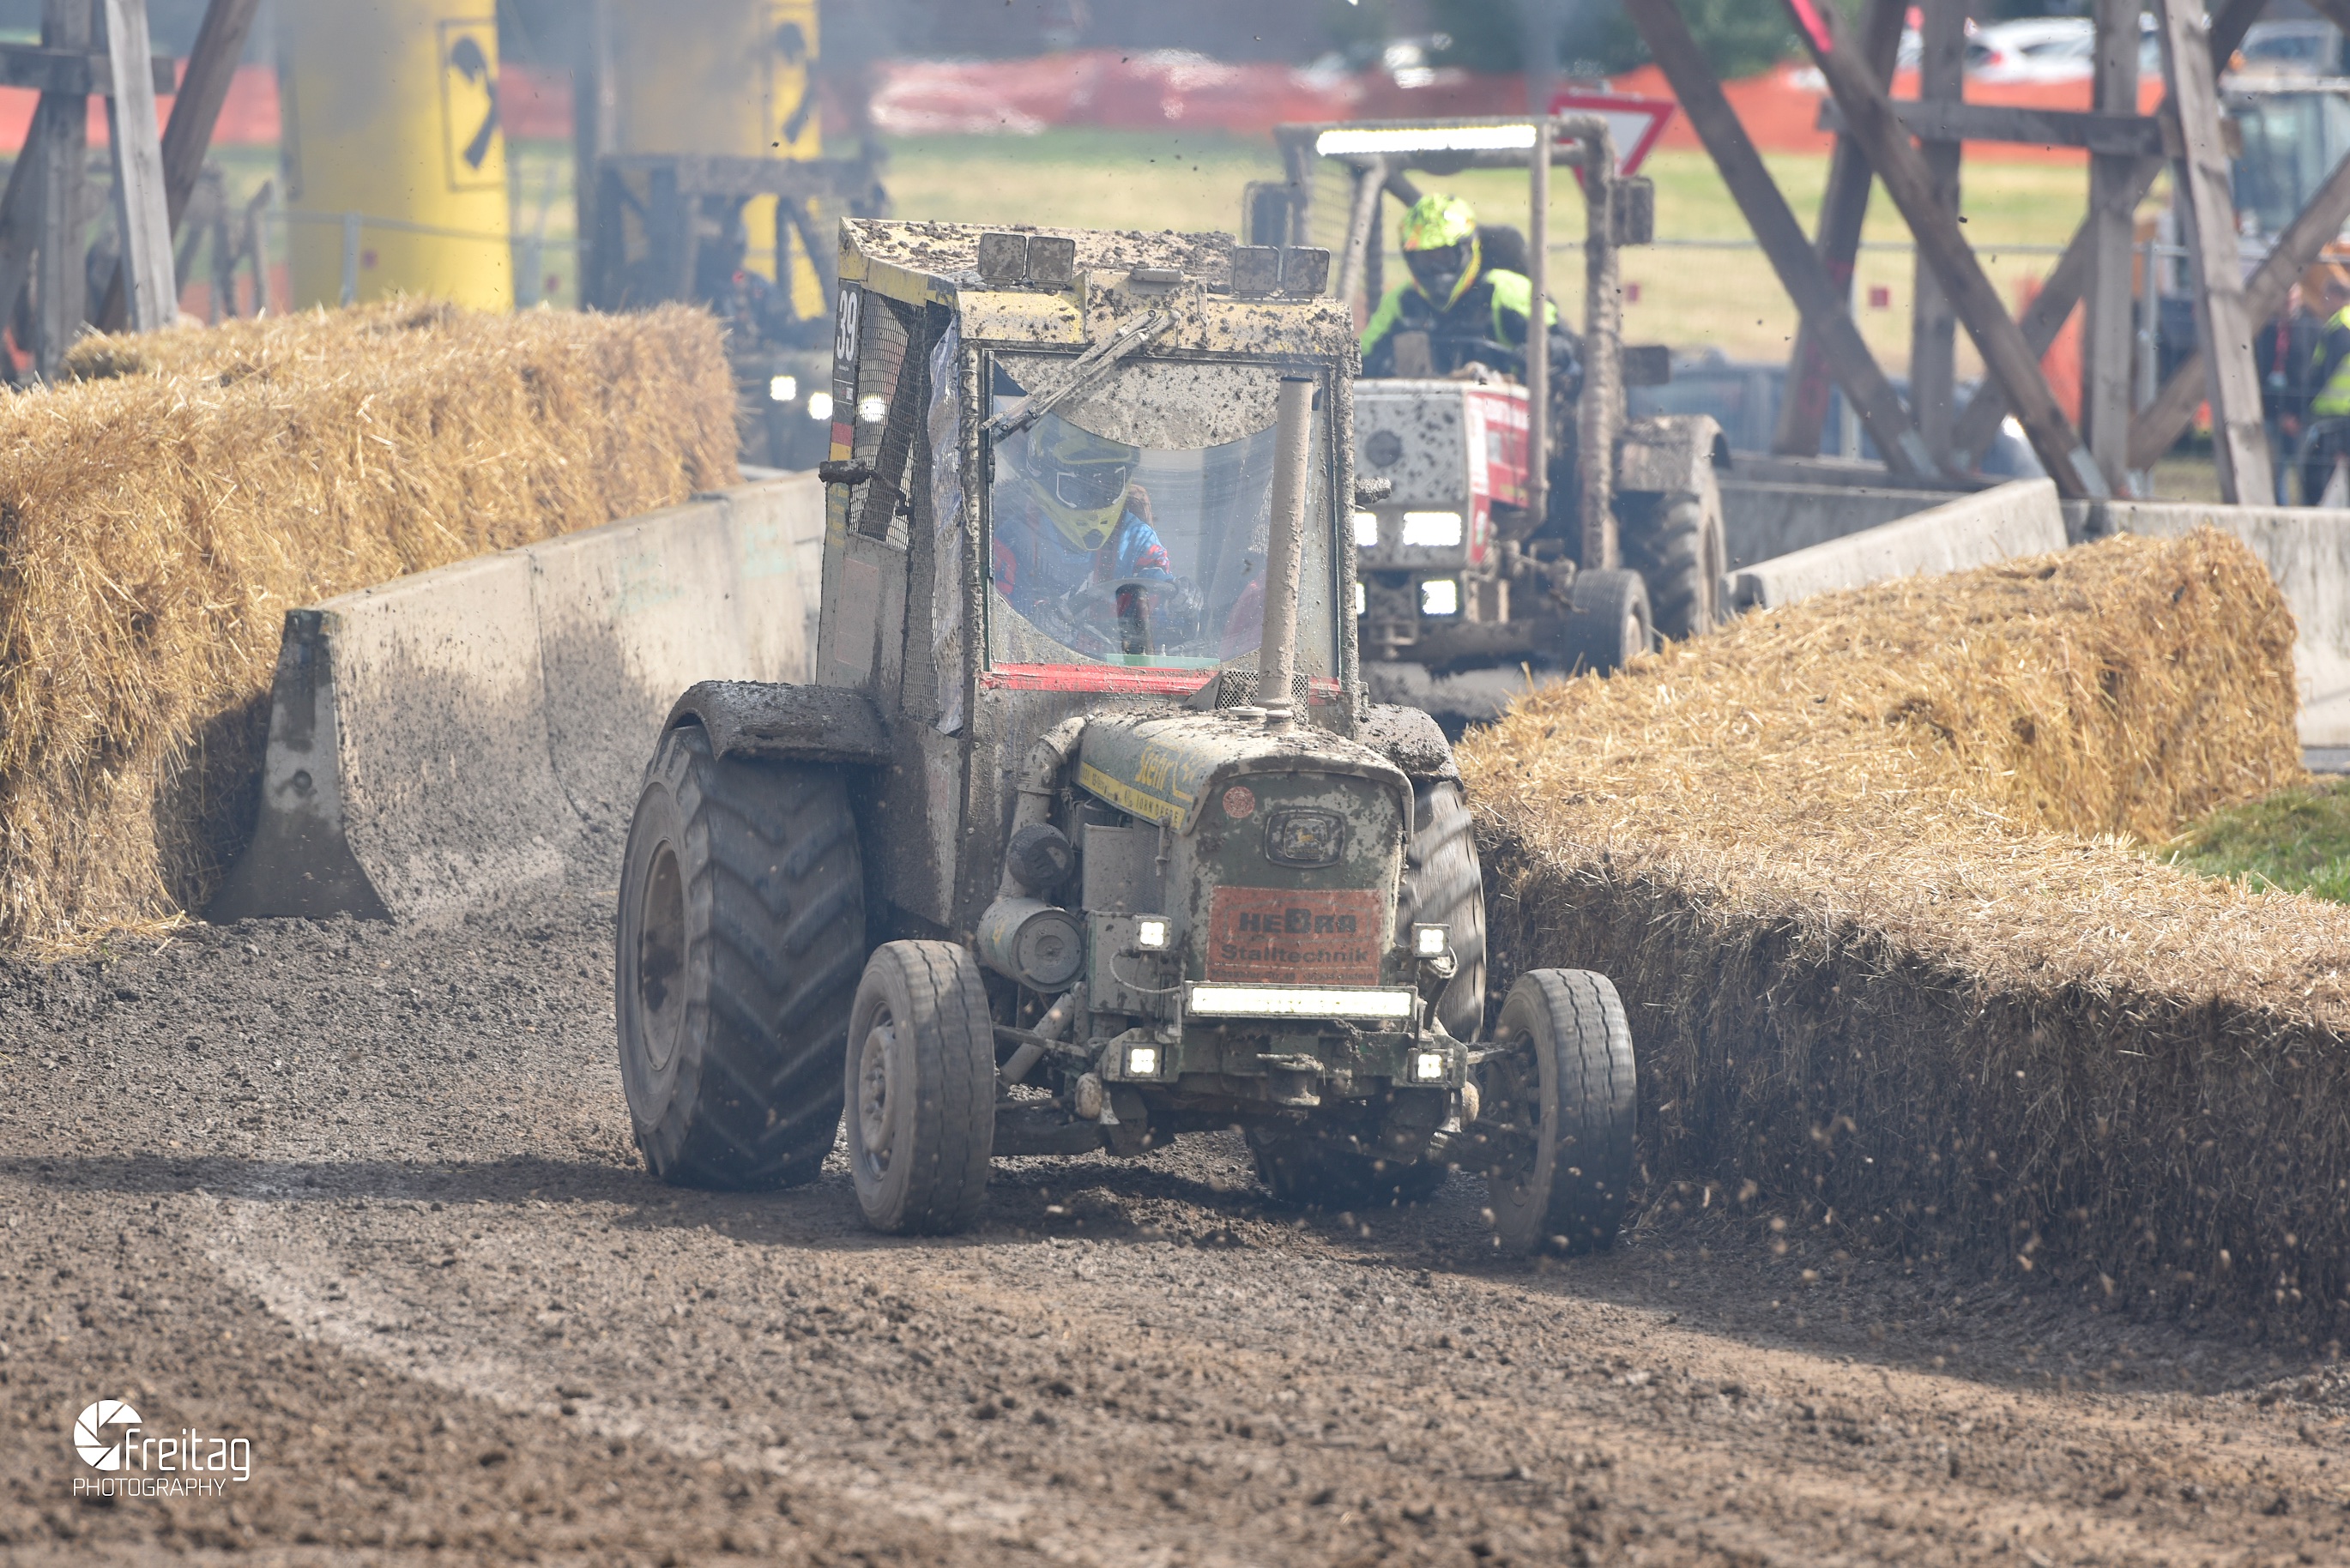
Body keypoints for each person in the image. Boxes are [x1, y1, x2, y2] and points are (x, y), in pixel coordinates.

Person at [1360, 194, 1578, 387]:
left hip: (1509, 410)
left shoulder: (1506, 290)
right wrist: (1383, 363)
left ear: (1467, 249)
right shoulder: (1400, 301)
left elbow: (1565, 344)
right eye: (1426, 259)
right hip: (1422, 412)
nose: (1436, 270)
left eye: (1444, 257)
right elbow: (1361, 359)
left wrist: (1541, 351)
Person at [990, 413, 1173, 625]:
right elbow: (998, 626)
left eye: (1109, 485)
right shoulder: (1013, 543)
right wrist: (1035, 621)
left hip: (1121, 648)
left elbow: (1162, 602)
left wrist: (1181, 601)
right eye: (1078, 489)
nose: (1095, 501)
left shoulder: (1136, 538)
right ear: (1046, 482)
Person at [2256, 280, 2323, 503]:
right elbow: (2259, 369)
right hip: (2272, 410)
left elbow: (2314, 374)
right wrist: (2276, 414)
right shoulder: (2266, 328)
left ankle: (2306, 512)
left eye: (2292, 298)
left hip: (2300, 414)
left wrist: (2298, 415)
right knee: (2276, 471)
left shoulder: (2311, 327)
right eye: (2284, 298)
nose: (2288, 303)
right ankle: (2279, 513)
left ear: (2299, 298)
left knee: (2304, 470)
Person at [2301, 266, 2350, 504]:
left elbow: (2323, 371)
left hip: (2334, 415)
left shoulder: (2340, 326)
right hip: (2342, 414)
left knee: (2314, 477)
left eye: (2326, 297)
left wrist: (2304, 404)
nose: (2322, 302)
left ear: (2338, 297)